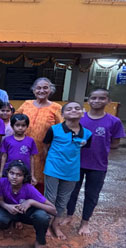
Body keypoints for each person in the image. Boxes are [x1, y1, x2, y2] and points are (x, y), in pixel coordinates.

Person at [64, 89, 126, 236]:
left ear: (108, 101)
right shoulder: (79, 118)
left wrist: (98, 149)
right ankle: (69, 215)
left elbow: (115, 144)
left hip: (98, 165)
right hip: (76, 163)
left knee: (92, 194)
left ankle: (85, 222)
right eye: (93, 98)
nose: (97, 101)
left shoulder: (114, 121)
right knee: (71, 192)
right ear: (88, 100)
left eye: (101, 98)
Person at [43, 101, 92, 240]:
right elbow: (45, 146)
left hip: (72, 171)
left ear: (82, 113)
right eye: (69, 109)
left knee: (63, 200)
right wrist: (49, 162)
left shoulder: (87, 134)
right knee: (50, 198)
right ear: (63, 114)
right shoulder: (54, 129)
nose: (73, 110)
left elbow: (82, 150)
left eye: (77, 108)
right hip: (53, 169)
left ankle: (56, 225)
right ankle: (46, 225)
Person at [0, 161, 56, 248]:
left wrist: (31, 202)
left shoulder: (29, 188)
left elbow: (53, 210)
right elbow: (0, 200)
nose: (14, 177)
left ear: (24, 177)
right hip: (12, 212)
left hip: (26, 214)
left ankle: (39, 243)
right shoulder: (2, 182)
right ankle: (14, 222)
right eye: (12, 173)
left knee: (42, 217)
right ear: (7, 173)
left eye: (19, 175)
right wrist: (7, 206)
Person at [16, 77, 62, 193]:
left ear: (50, 90)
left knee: (39, 180)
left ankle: (36, 206)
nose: (42, 91)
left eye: (45, 88)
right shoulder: (27, 104)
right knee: (19, 174)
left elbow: (61, 129)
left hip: (43, 151)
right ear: (33, 90)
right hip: (21, 147)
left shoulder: (56, 107)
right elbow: (14, 119)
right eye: (38, 88)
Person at [0, 114, 38, 185]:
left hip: (25, 173)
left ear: (27, 126)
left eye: (23, 125)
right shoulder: (7, 140)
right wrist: (1, 172)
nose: (20, 128)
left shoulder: (30, 141)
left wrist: (33, 175)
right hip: (10, 172)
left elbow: (32, 158)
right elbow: (4, 156)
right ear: (12, 126)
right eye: (17, 125)